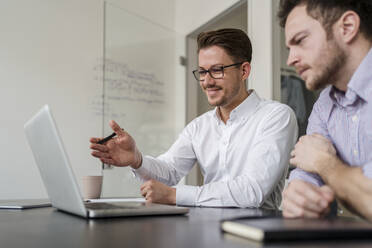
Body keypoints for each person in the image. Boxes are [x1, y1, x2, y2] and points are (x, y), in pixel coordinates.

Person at [90, 28, 297, 209]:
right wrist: (137, 160)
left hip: (257, 233)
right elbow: (170, 170)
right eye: (202, 72)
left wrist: (174, 195)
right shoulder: (199, 126)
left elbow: (252, 191)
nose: (207, 81)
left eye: (217, 70)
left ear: (244, 70)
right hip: (206, 227)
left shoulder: (276, 116)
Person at [278, 0, 372, 219]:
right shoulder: (324, 105)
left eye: (300, 41)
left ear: (347, 27)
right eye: (289, 48)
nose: (290, 59)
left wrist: (324, 163)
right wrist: (298, 196)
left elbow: (315, 158)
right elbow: (306, 170)